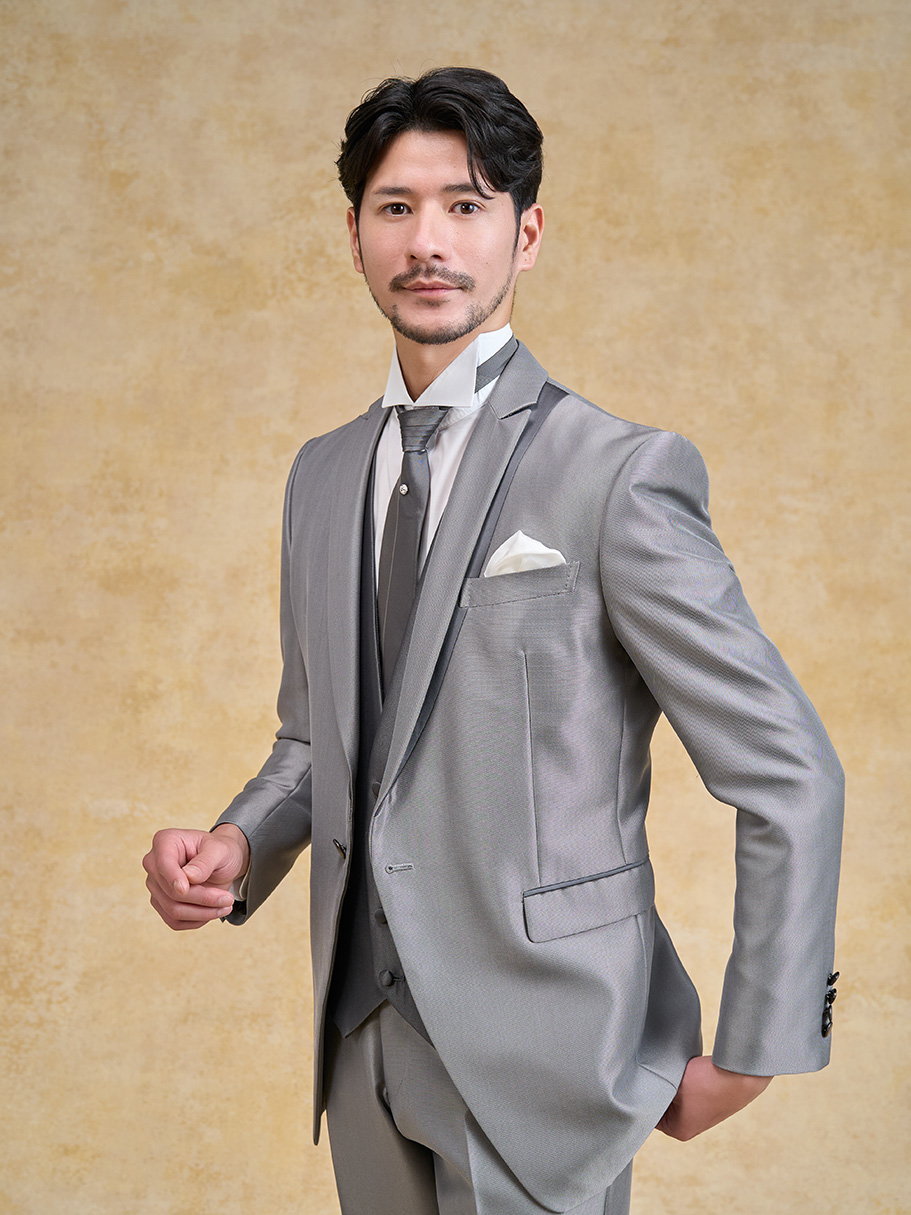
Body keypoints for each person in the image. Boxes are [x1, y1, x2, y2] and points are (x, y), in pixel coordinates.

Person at [143, 67, 844, 1215]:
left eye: (464, 206)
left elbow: (787, 770)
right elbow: (318, 740)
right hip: (357, 1043)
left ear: (524, 235)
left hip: (551, 1055)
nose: (427, 241)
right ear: (355, 236)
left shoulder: (616, 473)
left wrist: (761, 1045)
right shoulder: (321, 475)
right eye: (395, 207)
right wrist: (236, 843)